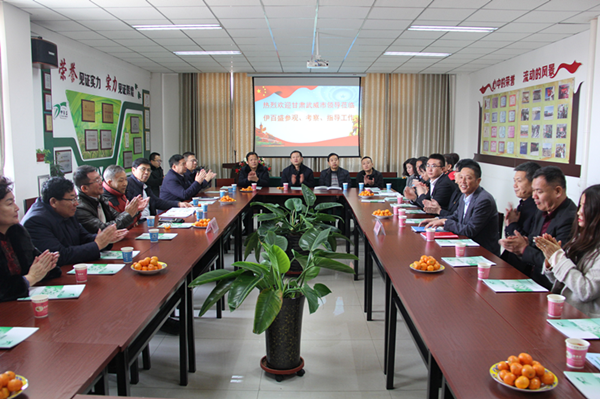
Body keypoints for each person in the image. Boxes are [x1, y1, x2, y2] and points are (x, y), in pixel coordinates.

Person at [500, 166, 577, 289]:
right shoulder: (542, 208)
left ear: (557, 191)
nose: (534, 196)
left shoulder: (569, 218)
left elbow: (555, 261)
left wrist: (524, 249)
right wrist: (523, 242)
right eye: (533, 190)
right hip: (530, 277)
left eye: (539, 192)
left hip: (550, 285)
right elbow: (533, 240)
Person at [22, 176, 126, 266]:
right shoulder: (35, 221)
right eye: (72, 199)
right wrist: (97, 245)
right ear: (53, 202)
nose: (76, 203)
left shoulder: (65, 210)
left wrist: (105, 239)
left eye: (76, 199)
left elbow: (83, 237)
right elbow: (60, 256)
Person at [536, 184, 600, 317]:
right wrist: (550, 261)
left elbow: (585, 291)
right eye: (581, 205)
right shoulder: (581, 237)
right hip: (564, 311)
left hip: (585, 319)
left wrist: (558, 258)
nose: (580, 212)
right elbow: (562, 280)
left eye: (586, 207)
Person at [0, 177, 61, 302]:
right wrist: (31, 278)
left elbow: (36, 263)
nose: (17, 208)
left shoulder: (16, 231)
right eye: (9, 203)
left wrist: (47, 265)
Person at [422, 159, 500, 255]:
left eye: (468, 178)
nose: (463, 182)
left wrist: (444, 222)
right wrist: (436, 220)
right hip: (465, 245)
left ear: (478, 181)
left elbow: (470, 230)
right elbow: (456, 216)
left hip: (482, 252)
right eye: (461, 177)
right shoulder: (465, 195)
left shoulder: (484, 200)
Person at [74, 165, 147, 233]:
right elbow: (103, 229)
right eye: (97, 181)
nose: (101, 182)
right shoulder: (80, 208)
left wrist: (134, 210)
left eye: (100, 178)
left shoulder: (101, 199)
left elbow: (118, 217)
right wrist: (129, 213)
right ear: (84, 188)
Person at [126, 158, 193, 218]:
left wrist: (178, 204)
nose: (146, 172)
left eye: (149, 170)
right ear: (133, 170)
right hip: (138, 222)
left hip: (149, 220)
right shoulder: (128, 185)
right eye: (143, 169)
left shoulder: (144, 185)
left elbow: (156, 202)